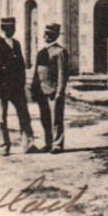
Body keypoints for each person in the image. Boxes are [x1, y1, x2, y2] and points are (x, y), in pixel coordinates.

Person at [0, 17, 36, 156]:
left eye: (14, 28)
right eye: (10, 28)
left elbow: (21, 65)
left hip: (17, 88)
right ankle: (3, 146)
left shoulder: (16, 44)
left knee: (24, 115)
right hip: (2, 87)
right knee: (1, 118)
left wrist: (23, 83)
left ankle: (28, 144)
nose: (13, 30)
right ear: (4, 28)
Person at [31, 22, 70, 153]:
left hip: (53, 90)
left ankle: (57, 144)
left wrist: (60, 91)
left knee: (56, 118)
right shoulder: (42, 52)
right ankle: (48, 143)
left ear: (55, 36)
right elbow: (36, 72)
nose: (46, 36)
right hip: (41, 90)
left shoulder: (60, 52)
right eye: (45, 34)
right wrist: (34, 88)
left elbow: (62, 73)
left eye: (50, 34)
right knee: (45, 118)